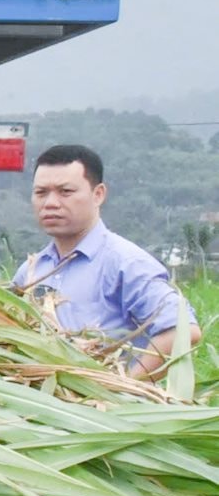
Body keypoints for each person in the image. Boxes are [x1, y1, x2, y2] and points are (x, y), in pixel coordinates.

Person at [13, 144, 197, 376]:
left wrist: (124, 389)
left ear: (98, 194)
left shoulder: (126, 264)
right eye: (41, 193)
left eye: (65, 191)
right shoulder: (30, 271)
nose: (50, 203)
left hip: (106, 408)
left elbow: (183, 331)